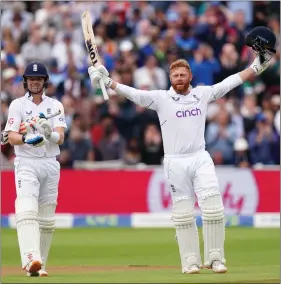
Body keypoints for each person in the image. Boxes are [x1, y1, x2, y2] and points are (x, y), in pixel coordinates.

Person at [88, 53, 271, 273]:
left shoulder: (201, 94)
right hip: (175, 161)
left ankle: (216, 259)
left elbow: (229, 82)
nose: (179, 78)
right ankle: (190, 261)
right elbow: (135, 95)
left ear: (190, 76)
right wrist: (109, 83)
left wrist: (254, 67)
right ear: (170, 77)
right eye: (175, 75)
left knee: (213, 208)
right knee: (183, 214)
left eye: (183, 74)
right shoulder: (161, 98)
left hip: (200, 157)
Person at [4, 62, 67, 277]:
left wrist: (48, 135)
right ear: (25, 81)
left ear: (45, 81)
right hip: (26, 162)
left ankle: (39, 266)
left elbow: (61, 137)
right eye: (31, 79)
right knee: (27, 209)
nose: (34, 82)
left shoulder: (56, 106)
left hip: (50, 162)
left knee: (47, 219)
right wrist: (27, 139)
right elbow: (10, 136)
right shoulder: (17, 105)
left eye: (38, 79)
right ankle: (31, 257)